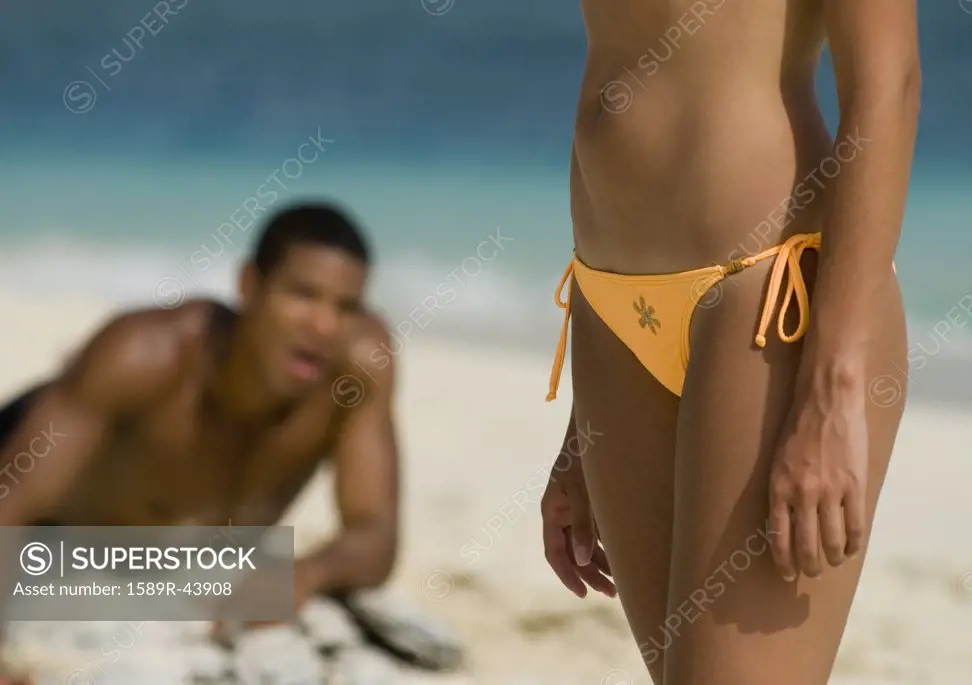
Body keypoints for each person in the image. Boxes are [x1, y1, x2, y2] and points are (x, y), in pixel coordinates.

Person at [540, 2, 919, 684]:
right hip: (609, 308)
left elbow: (888, 84)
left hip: (771, 298)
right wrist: (582, 433)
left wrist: (831, 393)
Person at [0, 202, 457, 684]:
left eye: (345, 307)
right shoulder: (148, 355)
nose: (323, 325)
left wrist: (305, 574)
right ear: (249, 286)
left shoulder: (359, 370)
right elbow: (10, 505)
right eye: (303, 295)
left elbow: (376, 538)